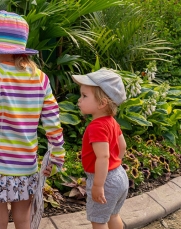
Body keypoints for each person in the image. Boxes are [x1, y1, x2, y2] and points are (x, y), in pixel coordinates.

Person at [0, 10, 66, 229]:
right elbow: (52, 120)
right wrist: (57, 155)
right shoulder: (40, 77)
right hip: (27, 166)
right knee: (23, 220)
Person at [72, 69, 129, 229]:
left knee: (99, 221)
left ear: (102, 103)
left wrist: (98, 185)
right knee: (113, 215)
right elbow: (122, 146)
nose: (79, 100)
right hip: (119, 175)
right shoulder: (111, 121)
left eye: (84, 96)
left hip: (104, 180)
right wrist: (115, 165)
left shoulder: (96, 127)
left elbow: (102, 157)